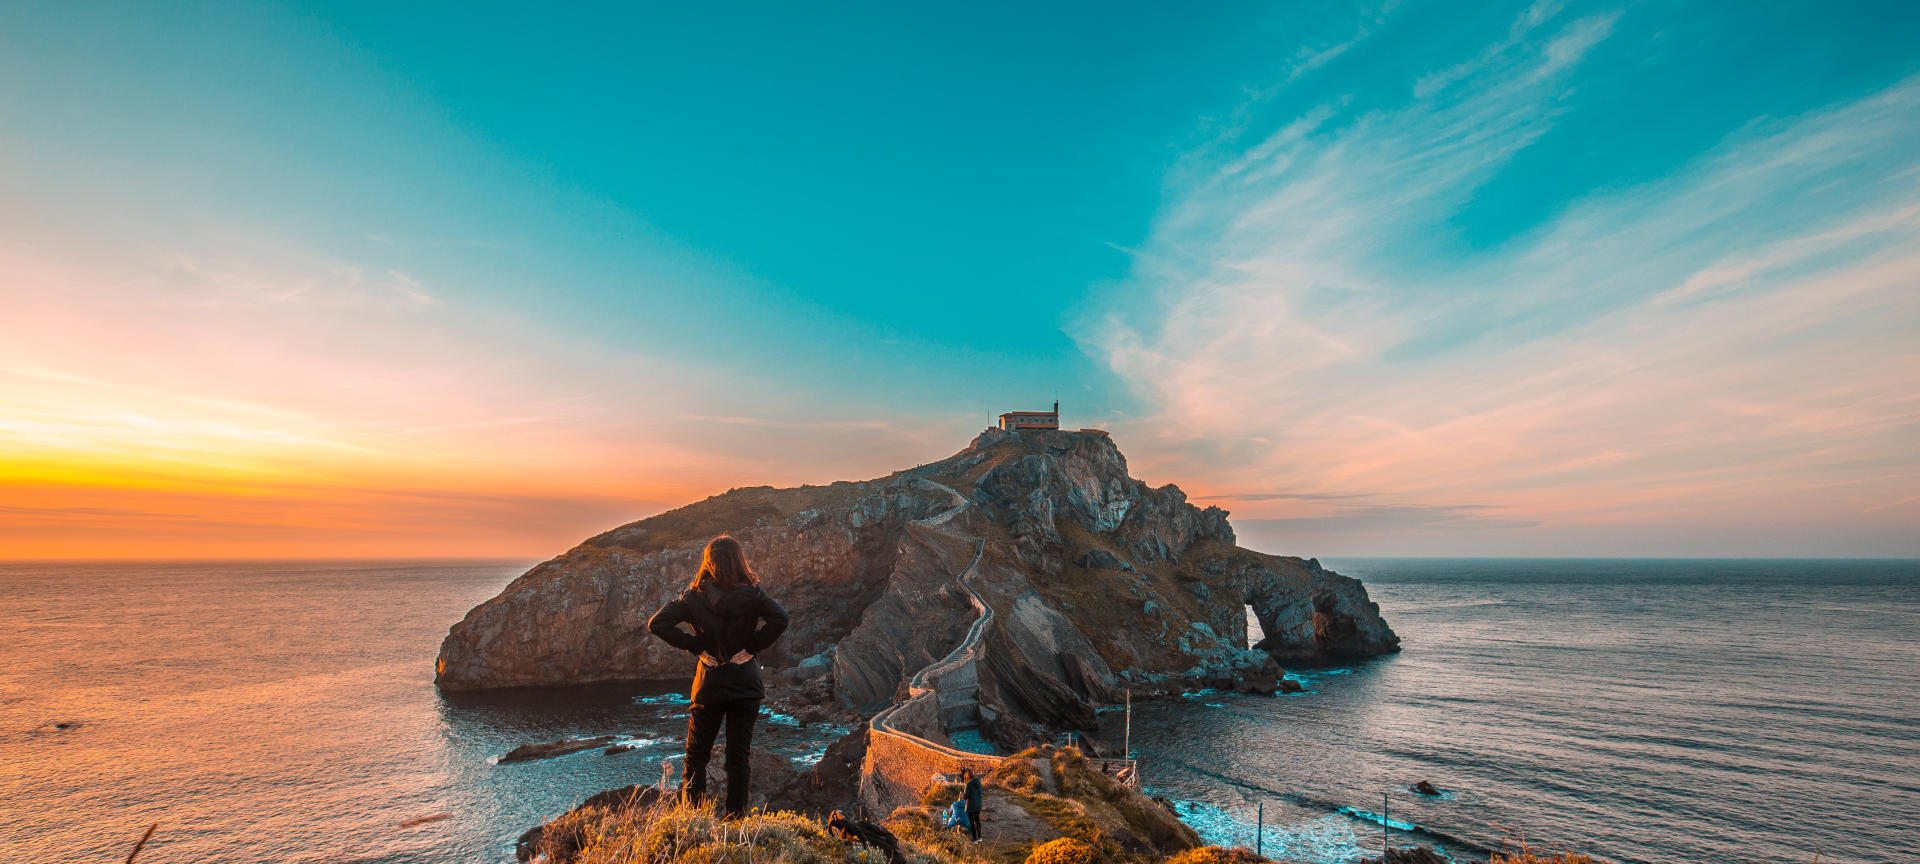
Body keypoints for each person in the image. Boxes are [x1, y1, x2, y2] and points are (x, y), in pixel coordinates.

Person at [647, 534, 789, 818]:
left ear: (709, 563)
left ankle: (694, 821)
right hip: (745, 685)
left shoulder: (693, 598)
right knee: (738, 759)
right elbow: (780, 619)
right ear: (739, 561)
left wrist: (697, 647)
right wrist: (751, 648)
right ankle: (735, 822)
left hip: (709, 686)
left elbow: (657, 623)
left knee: (696, 757)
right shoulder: (754, 595)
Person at [961, 767, 984, 842]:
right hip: (978, 804)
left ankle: (975, 839)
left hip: (970, 806)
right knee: (977, 821)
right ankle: (980, 838)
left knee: (972, 822)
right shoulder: (978, 782)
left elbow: (965, 796)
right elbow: (980, 792)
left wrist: (961, 794)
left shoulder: (968, 784)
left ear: (967, 776)